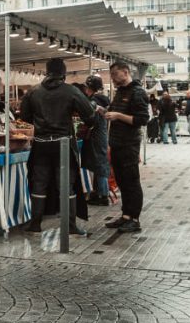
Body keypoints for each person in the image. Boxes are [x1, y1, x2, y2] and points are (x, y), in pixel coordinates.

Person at [19, 58, 96, 234]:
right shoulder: (72, 91)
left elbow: (24, 117)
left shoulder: (33, 92)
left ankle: (35, 223)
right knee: (66, 185)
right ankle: (69, 226)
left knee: (39, 183)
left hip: (41, 144)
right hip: (63, 144)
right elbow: (90, 117)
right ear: (64, 72)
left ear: (47, 71)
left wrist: (40, 122)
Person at [103, 62, 150, 233]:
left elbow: (142, 119)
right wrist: (106, 112)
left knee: (131, 182)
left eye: (115, 74)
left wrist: (118, 115)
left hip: (129, 144)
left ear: (125, 72)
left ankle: (134, 219)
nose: (113, 78)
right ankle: (126, 216)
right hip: (116, 143)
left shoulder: (138, 92)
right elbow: (116, 113)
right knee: (122, 182)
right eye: (112, 75)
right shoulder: (121, 92)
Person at [81, 76, 111, 206]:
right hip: (101, 135)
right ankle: (97, 193)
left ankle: (103, 195)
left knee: (99, 164)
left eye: (86, 88)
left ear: (90, 88)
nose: (85, 90)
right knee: (98, 164)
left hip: (96, 136)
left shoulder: (94, 100)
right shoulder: (102, 99)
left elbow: (92, 120)